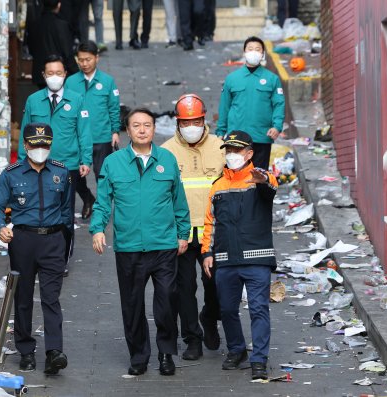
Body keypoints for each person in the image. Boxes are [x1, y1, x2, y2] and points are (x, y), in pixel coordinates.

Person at [90, 108, 191, 376]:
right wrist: (97, 229)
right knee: (132, 304)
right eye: (137, 126)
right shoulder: (113, 163)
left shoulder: (167, 160)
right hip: (129, 247)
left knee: (167, 300)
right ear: (128, 130)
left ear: (154, 129)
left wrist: (183, 233)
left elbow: (179, 200)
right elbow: (102, 202)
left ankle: (166, 354)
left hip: (163, 245)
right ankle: (139, 356)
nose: (143, 130)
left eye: (147, 125)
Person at [0, 122, 72, 375]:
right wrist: (1, 227)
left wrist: (66, 246)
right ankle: (26, 350)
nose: (41, 148)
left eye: (45, 144)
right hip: (23, 241)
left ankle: (54, 352)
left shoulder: (61, 172)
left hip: (53, 240)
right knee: (23, 297)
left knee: (51, 298)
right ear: (25, 145)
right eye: (35, 144)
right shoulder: (11, 174)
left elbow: (67, 212)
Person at [200, 131, 278, 380]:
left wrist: (262, 179)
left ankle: (259, 360)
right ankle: (236, 350)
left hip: (257, 259)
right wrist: (206, 253)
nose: (232, 154)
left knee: (258, 309)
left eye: (237, 150)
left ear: (249, 153)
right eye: (229, 150)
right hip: (225, 259)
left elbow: (270, 187)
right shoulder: (218, 186)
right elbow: (210, 223)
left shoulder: (262, 179)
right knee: (227, 309)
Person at [161, 94, 224, 360]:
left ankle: (209, 317)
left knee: (217, 285)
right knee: (184, 288)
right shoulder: (166, 151)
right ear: (177, 122)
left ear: (204, 118)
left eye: (196, 120)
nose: (192, 126)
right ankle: (192, 338)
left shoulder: (221, 147)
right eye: (186, 122)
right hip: (182, 233)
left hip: (213, 231)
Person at [18, 54, 93, 264]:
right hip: (37, 164)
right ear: (43, 75)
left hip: (66, 166)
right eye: (50, 73)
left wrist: (85, 160)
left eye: (58, 73)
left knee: (65, 214)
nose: (54, 77)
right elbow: (25, 131)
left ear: (65, 75)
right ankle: (40, 256)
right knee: (36, 210)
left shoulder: (76, 100)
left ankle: (62, 258)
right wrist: (21, 162)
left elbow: (84, 132)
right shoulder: (33, 100)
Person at [64, 40, 121, 219]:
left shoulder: (107, 81)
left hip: (101, 136)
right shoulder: (70, 82)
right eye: (81, 60)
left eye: (88, 59)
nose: (84, 64)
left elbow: (114, 107)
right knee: (75, 175)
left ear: (96, 58)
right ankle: (88, 198)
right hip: (78, 138)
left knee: (102, 174)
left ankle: (102, 209)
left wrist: (115, 131)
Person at [216, 36, 285, 170]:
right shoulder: (232, 79)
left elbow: (279, 104)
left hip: (261, 136)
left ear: (263, 54)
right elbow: (224, 106)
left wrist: (277, 126)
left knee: (258, 177)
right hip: (236, 137)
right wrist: (220, 131)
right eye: (250, 49)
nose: (254, 52)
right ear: (244, 52)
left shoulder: (272, 79)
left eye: (258, 49)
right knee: (235, 176)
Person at [27, 0, 78, 88]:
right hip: (59, 72)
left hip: (40, 72)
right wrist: (76, 71)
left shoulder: (34, 24)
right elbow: (67, 52)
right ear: (58, 5)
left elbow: (31, 49)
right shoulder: (62, 25)